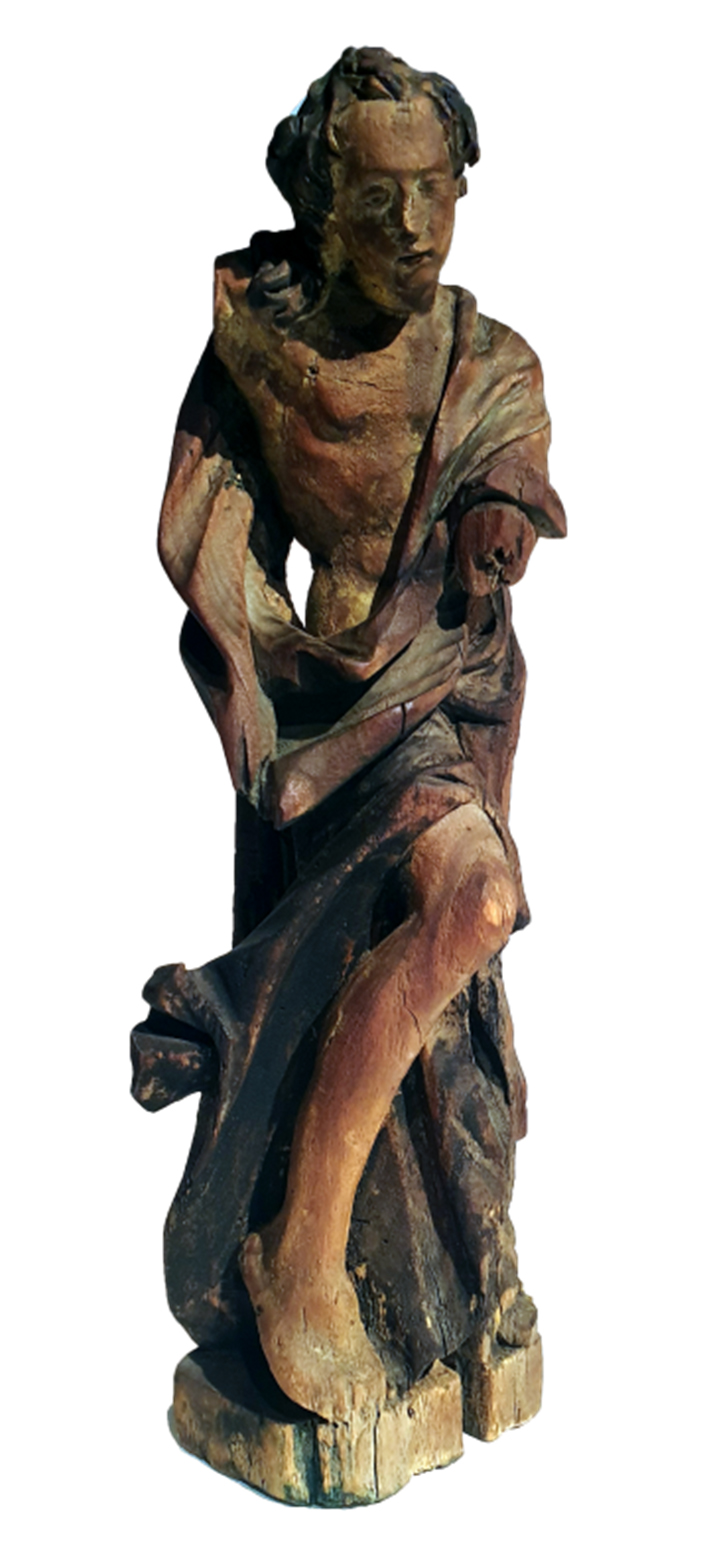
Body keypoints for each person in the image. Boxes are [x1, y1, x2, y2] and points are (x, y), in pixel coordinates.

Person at [148, 47, 566, 1425]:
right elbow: (203, 530)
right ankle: (307, 1262)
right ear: (321, 211)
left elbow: (509, 458)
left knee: (475, 918)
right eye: (378, 197)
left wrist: (499, 512)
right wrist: (267, 661)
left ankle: (337, 1252)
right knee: (442, 920)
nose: (413, 224)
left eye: (434, 188)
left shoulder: (486, 362)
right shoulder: (263, 353)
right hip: (317, 726)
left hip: (445, 695)